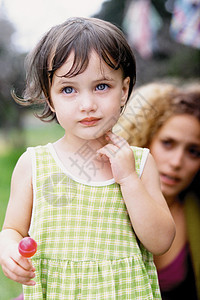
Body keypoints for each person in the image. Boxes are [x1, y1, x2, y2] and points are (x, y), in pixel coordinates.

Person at [0, 18, 175, 299]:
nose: (88, 105)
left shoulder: (140, 163)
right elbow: (12, 229)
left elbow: (161, 241)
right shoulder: (34, 164)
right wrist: (8, 249)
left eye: (102, 86)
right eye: (68, 89)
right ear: (49, 97)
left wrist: (129, 179)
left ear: (124, 90)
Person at [116, 82, 200, 299]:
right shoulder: (105, 197)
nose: (176, 162)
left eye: (193, 151)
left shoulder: (193, 213)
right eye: (168, 143)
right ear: (145, 139)